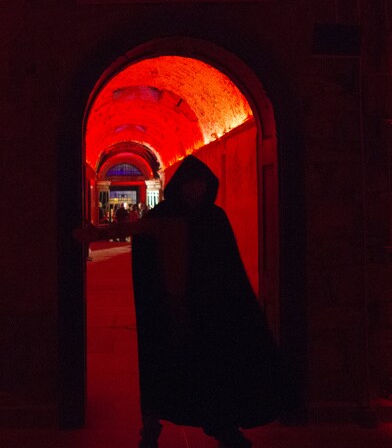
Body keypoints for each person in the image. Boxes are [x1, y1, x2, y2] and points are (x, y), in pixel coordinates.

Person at [75, 155, 289, 448]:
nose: (194, 190)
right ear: (179, 186)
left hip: (210, 311)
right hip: (169, 310)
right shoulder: (163, 216)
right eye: (189, 184)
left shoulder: (215, 219)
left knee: (213, 369)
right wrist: (99, 233)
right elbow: (135, 229)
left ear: (207, 186)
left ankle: (223, 426)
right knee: (161, 367)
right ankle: (151, 429)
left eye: (199, 184)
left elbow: (230, 268)